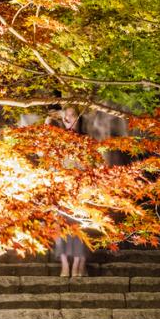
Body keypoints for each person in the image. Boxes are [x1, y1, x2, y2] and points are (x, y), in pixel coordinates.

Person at [50, 109, 90, 278]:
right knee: (60, 228)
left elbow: (90, 166)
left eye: (72, 115)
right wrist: (50, 117)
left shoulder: (86, 141)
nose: (68, 119)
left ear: (79, 118)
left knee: (80, 228)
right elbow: (50, 161)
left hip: (81, 190)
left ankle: (78, 265)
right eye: (65, 116)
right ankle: (65, 264)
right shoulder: (58, 140)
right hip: (61, 189)